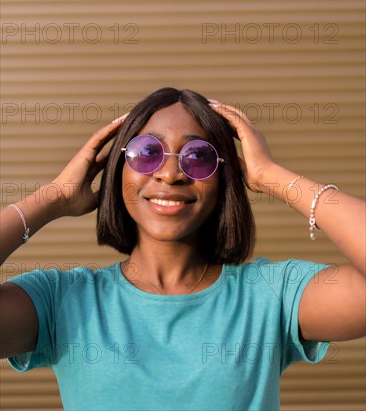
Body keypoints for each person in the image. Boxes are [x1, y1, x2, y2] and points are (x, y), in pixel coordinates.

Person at [1, 87, 365, 411]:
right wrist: (53, 198)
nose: (171, 174)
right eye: (147, 152)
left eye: (199, 156)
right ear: (117, 170)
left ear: (226, 178)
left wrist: (270, 176)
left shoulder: (273, 295)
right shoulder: (62, 300)